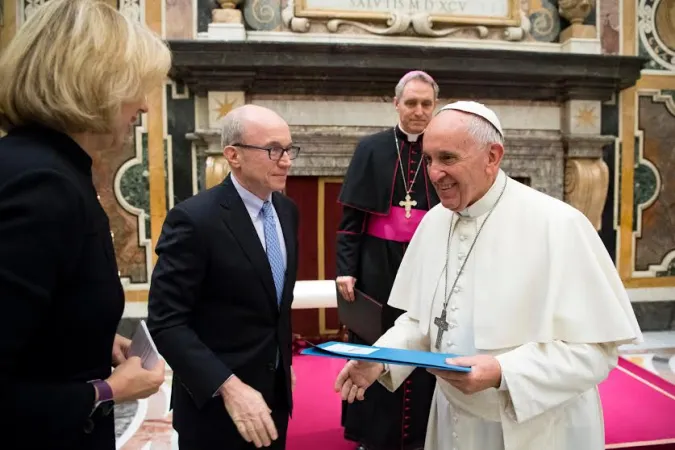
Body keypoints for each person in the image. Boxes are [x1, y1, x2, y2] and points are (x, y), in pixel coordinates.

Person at [334, 101, 643, 450]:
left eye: (448, 158)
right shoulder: (433, 223)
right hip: (451, 420)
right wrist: (380, 359)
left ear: (492, 156)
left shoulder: (558, 225)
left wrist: (502, 371)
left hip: (536, 429)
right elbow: (421, 321)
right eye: (429, 159)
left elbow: (597, 351)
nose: (434, 173)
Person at [0, 1, 171, 449]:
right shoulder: (43, 186)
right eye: (137, 87)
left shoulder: (37, 167)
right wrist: (108, 390)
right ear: (97, 83)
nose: (145, 108)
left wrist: (90, 336)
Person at [147, 105, 300, 450]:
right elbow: (167, 322)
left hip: (273, 399)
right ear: (234, 155)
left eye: (290, 149)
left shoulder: (287, 212)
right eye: (274, 150)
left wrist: (282, 361)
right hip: (215, 408)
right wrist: (228, 386)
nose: (287, 160)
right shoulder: (194, 220)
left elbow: (275, 304)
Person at [336, 70, 440, 450]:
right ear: (396, 104)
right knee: (375, 344)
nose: (418, 111)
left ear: (435, 106)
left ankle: (422, 432)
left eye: (426, 103)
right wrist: (346, 269)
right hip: (377, 265)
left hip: (430, 263)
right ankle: (373, 433)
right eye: (411, 102)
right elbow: (351, 222)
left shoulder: (443, 149)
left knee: (426, 340)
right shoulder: (372, 148)